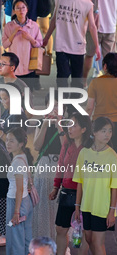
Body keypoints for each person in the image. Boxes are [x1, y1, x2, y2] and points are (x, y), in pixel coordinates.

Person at [43, 0, 101, 114]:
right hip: (61, 45)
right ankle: (63, 105)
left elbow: (93, 26)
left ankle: (72, 108)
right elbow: (54, 20)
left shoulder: (87, 4)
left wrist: (97, 46)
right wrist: (46, 38)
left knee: (75, 79)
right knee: (63, 78)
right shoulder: (59, 1)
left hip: (77, 47)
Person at [48, 112, 91, 255]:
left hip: (85, 193)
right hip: (66, 191)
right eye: (69, 125)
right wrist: (56, 187)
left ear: (84, 129)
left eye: (74, 125)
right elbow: (61, 165)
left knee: (85, 230)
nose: (70, 128)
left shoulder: (90, 147)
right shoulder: (67, 144)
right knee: (60, 229)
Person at [73, 117, 117, 255]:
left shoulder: (112, 155)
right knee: (89, 240)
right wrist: (77, 206)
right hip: (86, 206)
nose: (107, 134)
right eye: (103, 131)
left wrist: (112, 211)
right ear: (95, 132)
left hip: (103, 208)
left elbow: (114, 186)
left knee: (98, 244)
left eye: (110, 131)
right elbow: (80, 182)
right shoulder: (84, 153)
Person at [32, 91, 65, 240]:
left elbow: (67, 147)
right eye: (51, 105)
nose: (54, 108)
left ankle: (61, 243)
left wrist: (59, 126)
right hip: (44, 165)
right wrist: (45, 124)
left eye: (58, 105)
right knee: (44, 206)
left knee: (59, 207)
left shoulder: (68, 123)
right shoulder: (41, 122)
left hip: (60, 167)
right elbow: (37, 146)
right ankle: (44, 242)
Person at [2, 0, 43, 91]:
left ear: (27, 10)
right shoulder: (9, 26)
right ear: (14, 11)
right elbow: (5, 45)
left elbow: (39, 44)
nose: (21, 10)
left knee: (28, 95)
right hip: (14, 68)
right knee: (14, 95)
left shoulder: (34, 25)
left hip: (29, 66)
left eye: (23, 8)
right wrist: (13, 34)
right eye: (18, 8)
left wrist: (30, 38)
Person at [5, 127, 33, 255]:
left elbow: (19, 188)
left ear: (21, 143)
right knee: (26, 236)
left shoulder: (17, 162)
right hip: (26, 201)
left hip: (16, 201)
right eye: (7, 140)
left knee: (15, 238)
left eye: (12, 141)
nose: (8, 143)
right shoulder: (23, 156)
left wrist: (16, 211)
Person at [86, 53, 117, 153]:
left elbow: (89, 107)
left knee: (99, 155)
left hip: (99, 124)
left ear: (105, 66)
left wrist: (85, 124)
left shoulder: (95, 82)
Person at [0, 51, 34, 117]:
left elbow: (29, 112)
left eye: (3, 64)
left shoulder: (22, 86)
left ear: (12, 68)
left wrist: (18, 123)